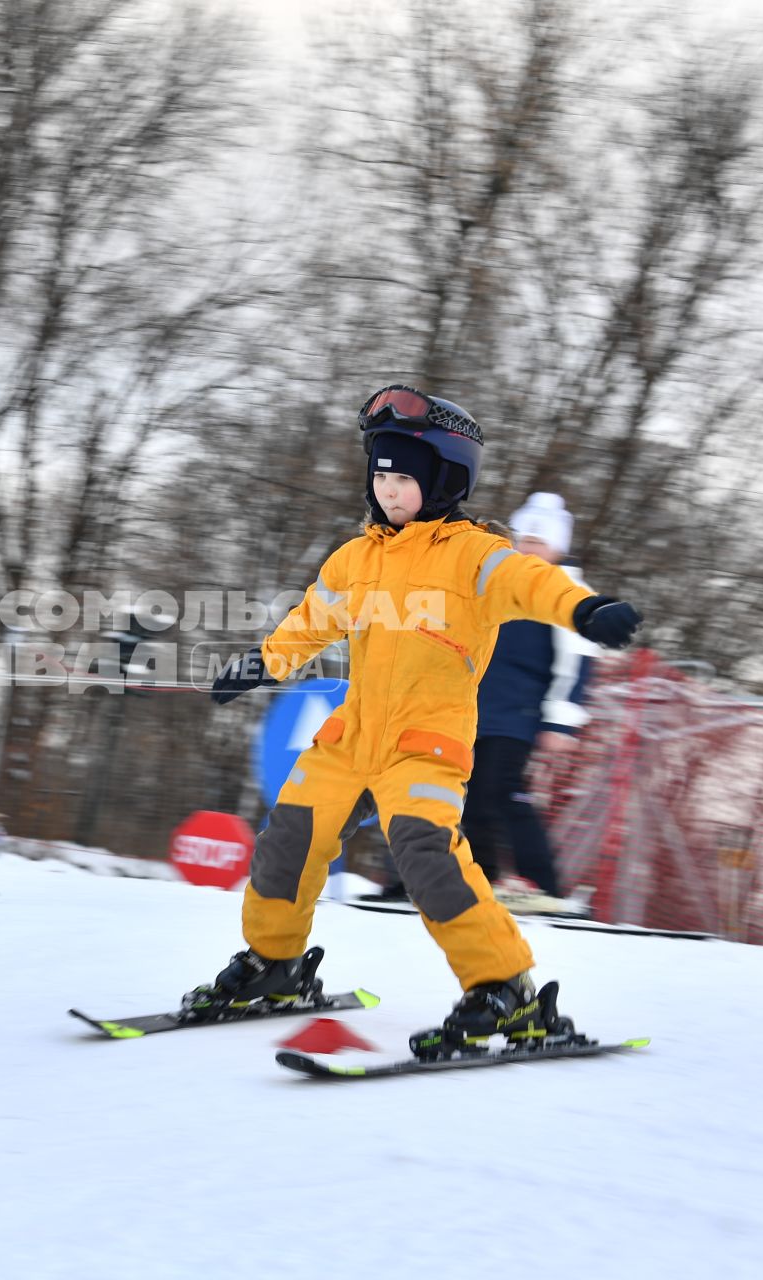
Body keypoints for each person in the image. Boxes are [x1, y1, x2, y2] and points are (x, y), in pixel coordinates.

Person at [191, 385, 641, 1058]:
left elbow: (533, 583)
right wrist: (263, 664)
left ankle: (505, 991)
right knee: (288, 840)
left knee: (426, 854)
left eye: (403, 477)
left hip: (424, 743)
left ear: (442, 481)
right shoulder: (355, 558)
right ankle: (272, 965)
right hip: (350, 737)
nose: (388, 489)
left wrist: (585, 610)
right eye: (380, 475)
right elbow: (312, 622)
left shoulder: (472, 556)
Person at [461, 492, 597, 899]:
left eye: (542, 542)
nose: (532, 547)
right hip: (470, 707)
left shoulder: (568, 589)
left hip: (518, 714)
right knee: (452, 797)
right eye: (526, 540)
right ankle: (469, 879)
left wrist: (560, 720)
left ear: (558, 547)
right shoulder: (496, 582)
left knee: (498, 796)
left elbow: (577, 659)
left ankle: (543, 885)